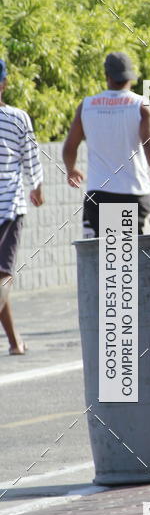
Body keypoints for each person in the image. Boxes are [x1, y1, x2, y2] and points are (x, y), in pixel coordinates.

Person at [62, 52, 150, 236]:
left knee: (104, 262)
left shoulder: (86, 106)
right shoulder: (142, 105)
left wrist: (71, 169)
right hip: (134, 195)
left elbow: (70, 146)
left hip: (98, 196)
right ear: (131, 77)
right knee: (140, 261)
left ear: (107, 75)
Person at [0, 58, 44, 355]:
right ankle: (15, 342)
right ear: (4, 84)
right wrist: (37, 186)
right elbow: (31, 158)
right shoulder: (17, 118)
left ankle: (15, 342)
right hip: (8, 208)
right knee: (3, 275)